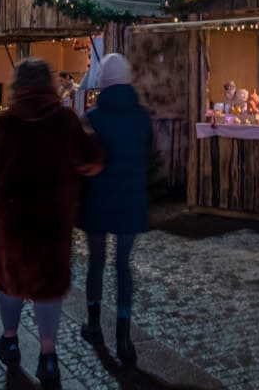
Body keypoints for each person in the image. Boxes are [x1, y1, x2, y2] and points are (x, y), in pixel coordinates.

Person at [0, 58, 104, 386]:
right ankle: (48, 355)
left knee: (10, 284)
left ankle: (10, 338)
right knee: (47, 290)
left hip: (11, 222)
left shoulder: (8, 122)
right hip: (53, 222)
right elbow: (92, 161)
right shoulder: (66, 121)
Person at [78, 53, 152, 366]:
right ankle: (123, 337)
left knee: (96, 261)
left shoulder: (92, 117)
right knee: (123, 265)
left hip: (97, 198)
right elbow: (148, 152)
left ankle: (94, 323)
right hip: (130, 198)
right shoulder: (142, 116)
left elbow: (82, 159)